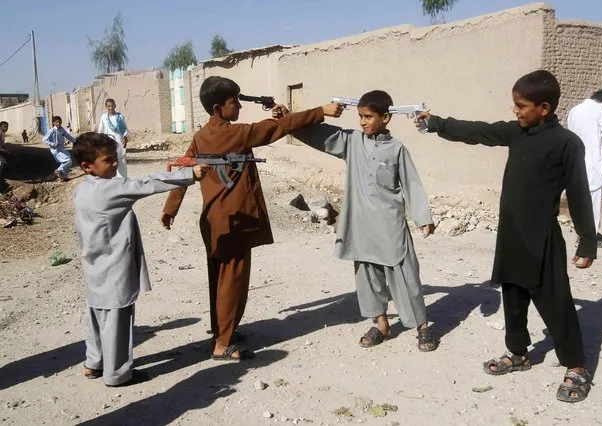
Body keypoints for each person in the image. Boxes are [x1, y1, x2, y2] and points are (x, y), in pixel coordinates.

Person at [414, 70, 597, 403]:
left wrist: (587, 240)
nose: (515, 111)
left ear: (544, 107)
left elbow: (580, 194)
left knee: (555, 303)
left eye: (521, 106)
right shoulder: (517, 133)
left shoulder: (567, 143)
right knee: (513, 296)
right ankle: (519, 353)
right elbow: (478, 131)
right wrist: (437, 123)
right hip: (511, 233)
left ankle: (576, 366)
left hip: (541, 237)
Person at [161, 76, 342, 361]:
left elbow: (184, 170)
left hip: (213, 222)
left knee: (218, 279)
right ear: (219, 107)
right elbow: (277, 128)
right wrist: (321, 111)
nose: (240, 107)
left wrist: (170, 209)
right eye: (235, 103)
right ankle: (222, 344)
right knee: (232, 280)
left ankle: (221, 330)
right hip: (234, 222)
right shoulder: (235, 134)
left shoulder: (201, 136)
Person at [276, 90, 438, 352]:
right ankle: (382, 324)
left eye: (368, 116)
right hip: (361, 225)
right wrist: (291, 118)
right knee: (368, 278)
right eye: (360, 116)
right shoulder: (351, 142)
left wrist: (423, 217)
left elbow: (412, 183)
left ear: (385, 117)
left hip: (390, 225)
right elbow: (317, 135)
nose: (362, 122)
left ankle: (422, 327)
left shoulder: (396, 149)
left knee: (405, 276)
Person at [72, 132, 209, 386]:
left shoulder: (81, 190)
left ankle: (94, 363)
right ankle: (118, 374)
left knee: (97, 316)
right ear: (87, 166)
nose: (114, 164)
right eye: (108, 160)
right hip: (114, 267)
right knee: (118, 320)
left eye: (115, 158)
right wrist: (189, 175)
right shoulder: (110, 189)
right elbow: (146, 183)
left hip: (94, 265)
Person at [568, 89, 602, 240]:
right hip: (592, 162)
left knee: (580, 200)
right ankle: (590, 237)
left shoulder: (574, 111)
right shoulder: (601, 109)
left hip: (576, 161)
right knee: (593, 201)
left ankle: (581, 233)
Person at [97, 98, 129, 178]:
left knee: (121, 161)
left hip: (119, 141)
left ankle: (123, 180)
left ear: (115, 106)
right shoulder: (104, 117)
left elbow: (125, 129)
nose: (111, 108)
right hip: (108, 142)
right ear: (106, 107)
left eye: (112, 106)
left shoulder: (119, 116)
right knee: (110, 161)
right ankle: (113, 180)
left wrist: (125, 137)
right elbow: (100, 130)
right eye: (109, 106)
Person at [43, 116, 76, 181]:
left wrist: (75, 141)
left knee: (69, 161)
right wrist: (53, 144)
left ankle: (63, 177)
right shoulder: (52, 130)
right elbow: (44, 140)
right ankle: (58, 170)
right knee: (68, 160)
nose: (58, 123)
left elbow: (68, 136)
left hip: (62, 149)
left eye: (59, 122)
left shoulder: (62, 129)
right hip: (56, 150)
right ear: (53, 123)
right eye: (57, 122)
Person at [0, 121, 10, 192]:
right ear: (0, 127)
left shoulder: (3, 134)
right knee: (1, 163)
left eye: (7, 127)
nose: (6, 128)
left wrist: (5, 148)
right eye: (4, 126)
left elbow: (2, 144)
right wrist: (3, 150)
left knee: (3, 163)